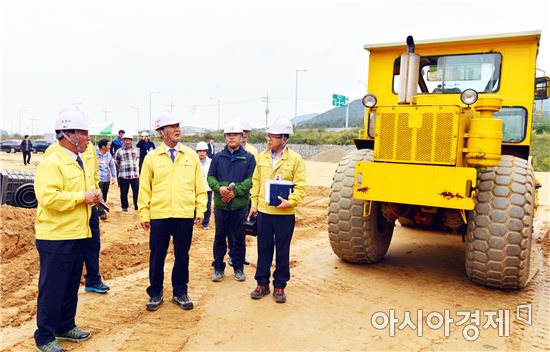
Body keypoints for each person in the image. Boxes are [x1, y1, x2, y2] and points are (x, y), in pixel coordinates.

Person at [33, 109, 100, 352]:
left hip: (77, 233)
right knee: (53, 286)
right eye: (82, 133)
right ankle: (44, 335)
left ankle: (64, 325)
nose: (87, 138)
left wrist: (94, 196)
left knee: (71, 284)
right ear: (67, 134)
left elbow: (84, 188)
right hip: (56, 236)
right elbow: (48, 197)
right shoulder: (53, 161)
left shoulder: (78, 161)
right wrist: (83, 197)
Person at [138, 112, 207, 312]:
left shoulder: (191, 156)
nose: (177, 129)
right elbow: (144, 188)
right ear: (161, 132)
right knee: (157, 255)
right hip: (159, 214)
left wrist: (200, 208)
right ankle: (155, 292)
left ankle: (180, 291)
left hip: (184, 214)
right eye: (171, 126)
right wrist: (144, 213)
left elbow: (199, 186)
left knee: (182, 255)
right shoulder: (151, 158)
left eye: (178, 125)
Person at [249, 118, 306, 303]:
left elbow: (301, 187)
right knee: (263, 248)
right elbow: (256, 182)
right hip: (264, 213)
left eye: (273, 136)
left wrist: (290, 202)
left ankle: (280, 286)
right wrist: (254, 205)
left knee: (282, 250)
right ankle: (262, 283)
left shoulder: (295, 159)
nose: (269, 140)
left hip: (285, 215)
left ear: (284, 138)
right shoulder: (262, 157)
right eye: (268, 136)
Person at [208, 121, 256, 282]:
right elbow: (210, 177)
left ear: (241, 137)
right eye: (229, 135)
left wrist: (235, 192)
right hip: (221, 206)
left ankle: (238, 267)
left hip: (239, 206)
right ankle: (218, 268)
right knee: (220, 236)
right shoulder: (217, 158)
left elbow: (251, 180)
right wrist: (219, 188)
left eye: (235, 135)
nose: (232, 137)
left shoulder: (248, 158)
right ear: (225, 137)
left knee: (238, 238)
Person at [114, 135, 139, 212]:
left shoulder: (135, 150)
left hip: (134, 175)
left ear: (132, 141)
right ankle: (124, 207)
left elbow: (136, 160)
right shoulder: (119, 151)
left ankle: (136, 206)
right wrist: (122, 168)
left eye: (129, 140)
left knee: (136, 192)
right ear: (123, 141)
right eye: (126, 140)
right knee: (124, 192)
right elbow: (116, 162)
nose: (128, 142)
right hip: (124, 175)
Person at [96, 139, 117, 220]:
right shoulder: (94, 154)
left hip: (106, 178)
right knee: (98, 195)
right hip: (97, 179)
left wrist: (114, 176)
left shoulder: (108, 155)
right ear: (103, 146)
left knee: (104, 195)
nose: (110, 147)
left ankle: (100, 210)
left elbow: (112, 166)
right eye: (108, 145)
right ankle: (101, 212)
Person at [196, 141, 212, 230]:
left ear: (207, 152)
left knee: (207, 206)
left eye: (204, 151)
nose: (202, 153)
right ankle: (195, 220)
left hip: (207, 188)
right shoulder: (194, 162)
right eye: (200, 151)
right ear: (197, 152)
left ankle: (205, 223)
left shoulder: (211, 162)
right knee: (195, 205)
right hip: (196, 188)